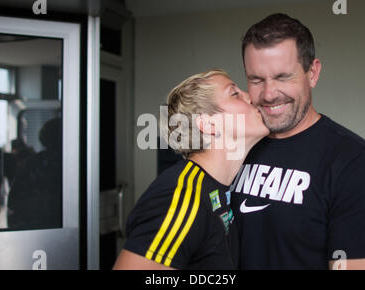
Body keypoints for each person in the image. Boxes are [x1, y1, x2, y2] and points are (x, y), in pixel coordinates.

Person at [231, 13, 365, 269]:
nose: (268, 94)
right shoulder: (234, 149)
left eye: (283, 77)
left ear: (313, 73)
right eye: (256, 80)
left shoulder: (360, 165)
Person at [113, 69, 269, 269]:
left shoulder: (220, 189)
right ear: (208, 123)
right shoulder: (181, 196)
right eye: (235, 93)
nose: (250, 97)